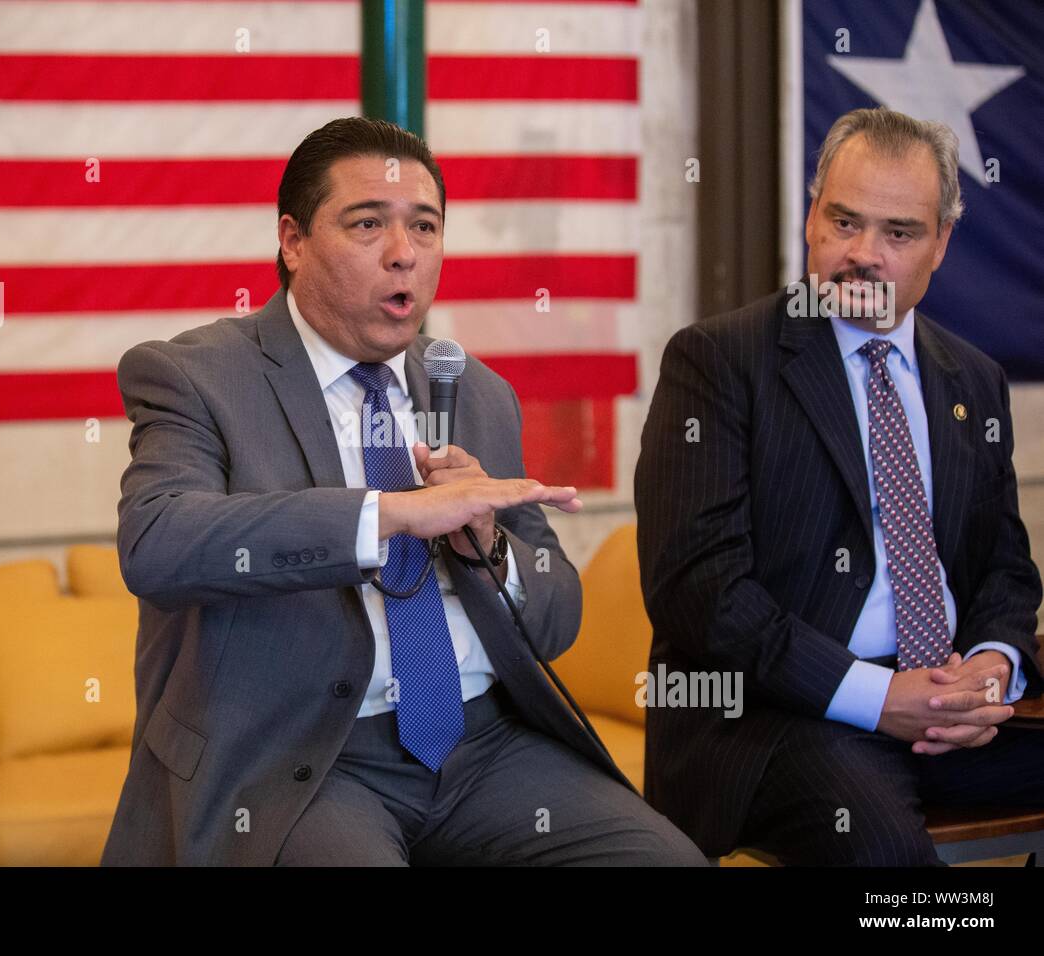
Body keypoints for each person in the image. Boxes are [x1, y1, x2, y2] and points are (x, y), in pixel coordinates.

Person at [101, 116, 705, 866]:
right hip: (306, 759)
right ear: (292, 241)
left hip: (484, 746)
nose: (404, 255)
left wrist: (490, 547)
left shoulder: (478, 392)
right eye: (367, 224)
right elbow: (158, 543)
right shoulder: (197, 376)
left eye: (425, 226)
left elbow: (554, 620)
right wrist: (387, 516)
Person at [635, 107, 1044, 866]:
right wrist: (877, 697)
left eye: (899, 233)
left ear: (942, 243)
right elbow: (699, 591)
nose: (864, 255)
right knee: (884, 858)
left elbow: (1005, 570)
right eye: (845, 222)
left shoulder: (974, 380)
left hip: (950, 705)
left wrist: (993, 667)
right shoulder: (719, 362)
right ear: (811, 218)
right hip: (779, 717)